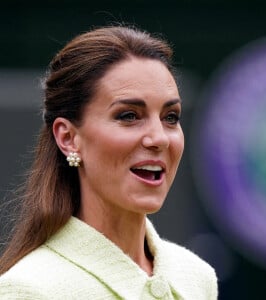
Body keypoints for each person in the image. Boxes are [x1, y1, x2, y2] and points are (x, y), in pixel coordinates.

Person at [0, 25, 218, 299]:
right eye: (129, 116)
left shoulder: (197, 278)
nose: (159, 138)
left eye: (170, 117)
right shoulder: (29, 290)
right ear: (68, 138)